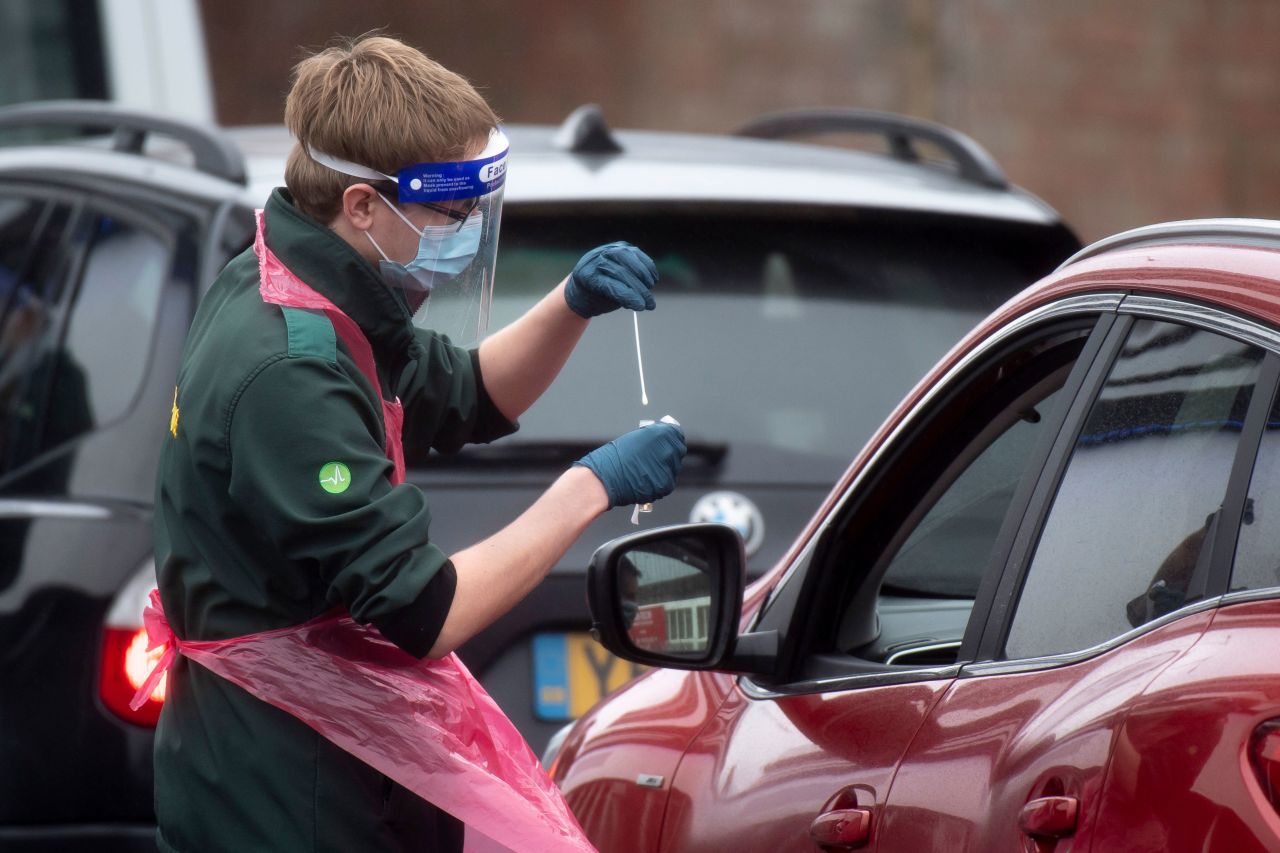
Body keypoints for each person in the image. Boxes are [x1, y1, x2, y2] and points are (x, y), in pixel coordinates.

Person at [150, 35, 685, 852]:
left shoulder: (315, 279)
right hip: (291, 784)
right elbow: (424, 609)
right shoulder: (289, 370)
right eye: (449, 212)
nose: (465, 230)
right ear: (362, 205)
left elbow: (461, 391)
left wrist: (571, 303)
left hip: (327, 748)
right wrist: (591, 487)